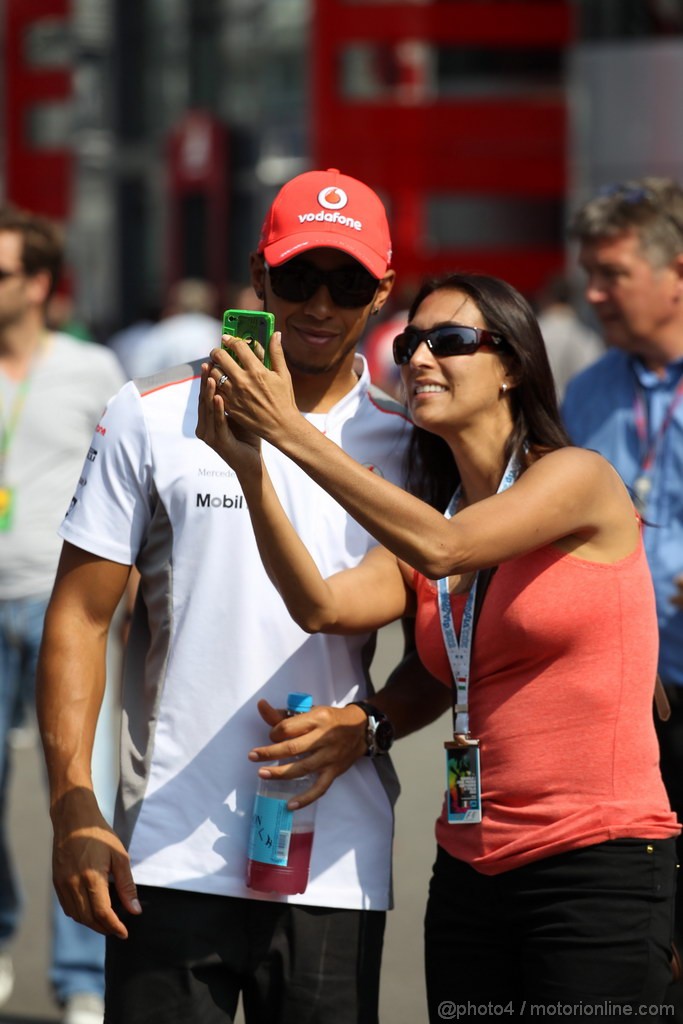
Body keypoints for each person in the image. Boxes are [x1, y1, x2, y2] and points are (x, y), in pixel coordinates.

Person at [197, 270, 679, 1021]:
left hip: (592, 866)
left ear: (512, 366)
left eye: (449, 341)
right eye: (412, 341)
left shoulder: (576, 480)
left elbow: (449, 549)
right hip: (467, 870)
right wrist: (251, 465)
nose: (419, 357)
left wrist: (288, 428)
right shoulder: (431, 516)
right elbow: (321, 605)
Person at [36, 168, 418, 1024]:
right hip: (164, 849)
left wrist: (374, 720)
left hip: (334, 853)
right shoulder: (150, 412)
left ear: (384, 291)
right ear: (258, 275)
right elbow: (80, 616)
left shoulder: (409, 444)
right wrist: (71, 803)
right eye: (298, 278)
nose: (320, 303)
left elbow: (438, 647)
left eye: (348, 282)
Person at [0, 206, 125, 1024]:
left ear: (40, 284)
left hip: (61, 598)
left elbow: (126, 487)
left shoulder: (93, 368)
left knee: (77, 789)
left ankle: (82, 978)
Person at [562, 176, 683, 982]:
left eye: (612, 274)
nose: (595, 294)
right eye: (589, 276)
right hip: (626, 702)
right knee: (645, 926)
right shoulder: (587, 391)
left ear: (675, 271)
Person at [534, 272, 603, 400]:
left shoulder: (532, 333)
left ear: (545, 296)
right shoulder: (587, 337)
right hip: (578, 411)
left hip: (540, 412)